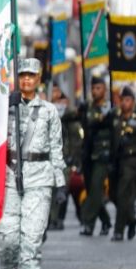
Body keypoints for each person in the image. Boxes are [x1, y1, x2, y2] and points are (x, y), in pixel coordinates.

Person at [0, 58, 66, 269]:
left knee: (32, 238)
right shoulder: (4, 108)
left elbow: (56, 148)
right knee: (7, 238)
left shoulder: (49, 111)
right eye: (22, 74)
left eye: (31, 75)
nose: (26, 79)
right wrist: (5, 106)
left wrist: (61, 184)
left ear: (38, 78)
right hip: (9, 178)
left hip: (39, 179)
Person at [111, 85, 136, 243]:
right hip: (116, 161)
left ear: (133, 102)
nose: (125, 103)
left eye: (128, 100)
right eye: (122, 100)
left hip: (131, 162)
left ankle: (118, 231)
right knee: (115, 196)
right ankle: (132, 219)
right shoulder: (115, 119)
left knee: (122, 194)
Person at [80, 75, 115, 236]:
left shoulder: (110, 109)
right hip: (88, 155)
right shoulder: (87, 107)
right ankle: (106, 221)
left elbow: (115, 133)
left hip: (103, 155)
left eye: (98, 88)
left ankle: (88, 223)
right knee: (91, 189)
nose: (95, 91)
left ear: (105, 90)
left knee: (95, 189)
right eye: (93, 88)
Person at [49, 83, 81, 230]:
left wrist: (73, 158)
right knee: (53, 189)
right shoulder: (49, 115)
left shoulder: (71, 120)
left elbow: (75, 141)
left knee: (63, 189)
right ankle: (52, 219)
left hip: (66, 160)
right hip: (52, 159)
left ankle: (59, 219)